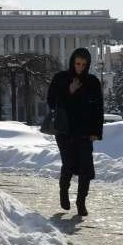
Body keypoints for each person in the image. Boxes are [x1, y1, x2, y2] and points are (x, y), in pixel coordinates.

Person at [47, 48, 103, 216]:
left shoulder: (92, 81)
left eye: (84, 65)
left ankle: (81, 201)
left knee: (85, 167)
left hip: (85, 132)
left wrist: (96, 131)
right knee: (69, 164)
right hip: (65, 131)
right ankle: (64, 192)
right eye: (78, 63)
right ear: (72, 62)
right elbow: (51, 102)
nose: (80, 68)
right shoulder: (61, 78)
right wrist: (69, 90)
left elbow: (98, 108)